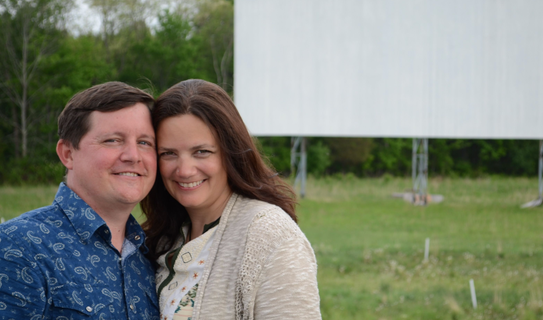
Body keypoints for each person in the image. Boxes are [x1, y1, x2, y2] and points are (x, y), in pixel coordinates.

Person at [141, 79, 321, 319]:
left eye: (201, 152)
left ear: (230, 152)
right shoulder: (162, 238)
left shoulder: (270, 234)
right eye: (168, 153)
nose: (184, 170)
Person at [0, 82, 160, 319]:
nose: (133, 156)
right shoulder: (17, 247)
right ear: (68, 154)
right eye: (113, 140)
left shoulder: (153, 256)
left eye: (144, 143)